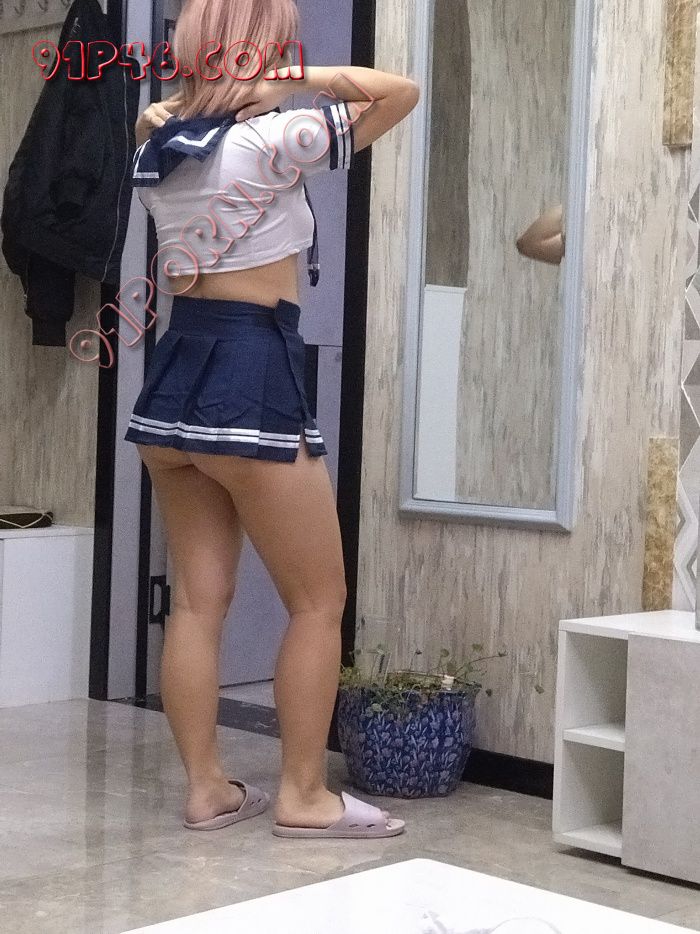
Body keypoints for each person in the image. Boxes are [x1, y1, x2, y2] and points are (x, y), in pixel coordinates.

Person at [124, 0, 419, 838]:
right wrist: (292, 80)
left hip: (174, 375)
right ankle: (303, 797)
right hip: (251, 367)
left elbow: (160, 116)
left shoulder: (156, 140)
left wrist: (189, 97)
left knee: (195, 604)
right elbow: (399, 92)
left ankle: (207, 791)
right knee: (319, 600)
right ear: (263, 52)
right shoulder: (275, 137)